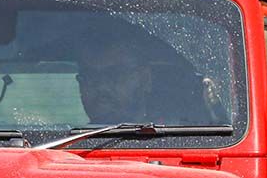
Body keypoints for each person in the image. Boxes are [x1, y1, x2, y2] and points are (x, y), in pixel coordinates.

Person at [75, 34, 228, 126]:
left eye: (115, 74)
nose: (101, 86)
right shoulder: (61, 144)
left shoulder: (185, 137)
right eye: (90, 77)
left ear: (145, 79)